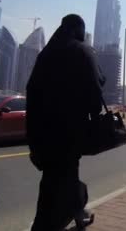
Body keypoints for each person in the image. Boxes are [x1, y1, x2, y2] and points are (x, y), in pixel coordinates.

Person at [26, 14, 102, 231]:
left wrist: (32, 140)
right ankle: (56, 221)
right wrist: (92, 117)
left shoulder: (45, 55)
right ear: (78, 30)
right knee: (56, 187)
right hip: (69, 134)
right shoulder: (82, 51)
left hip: (42, 136)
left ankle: (77, 213)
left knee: (56, 180)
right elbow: (95, 90)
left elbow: (31, 93)